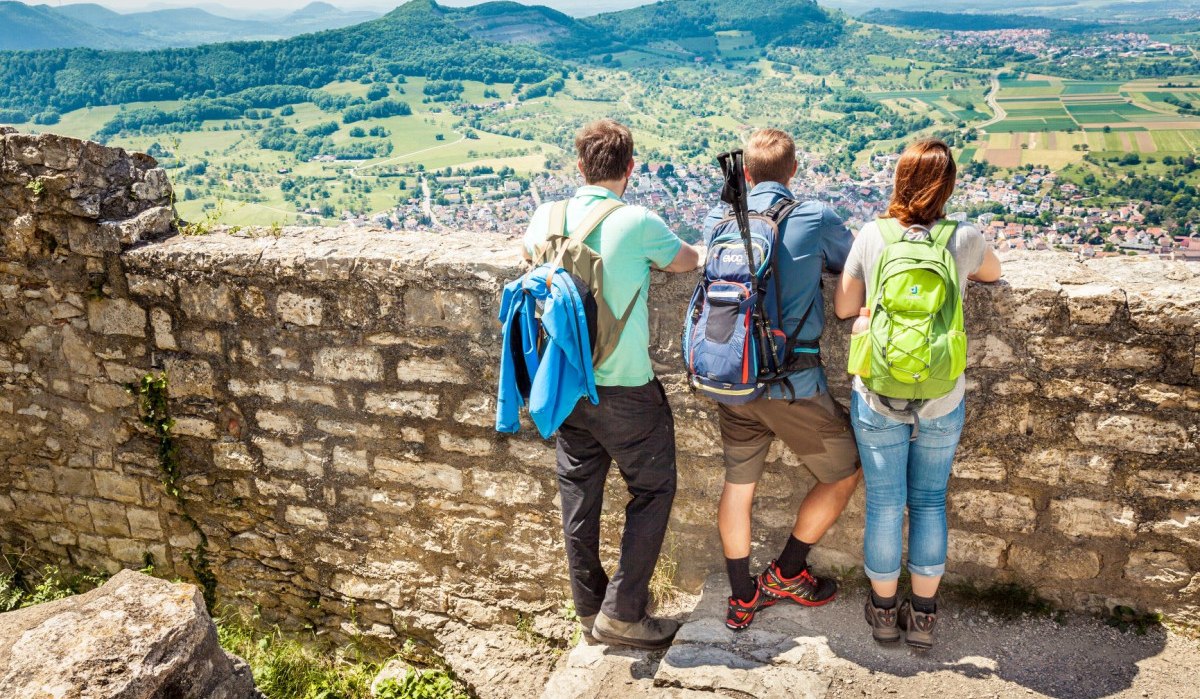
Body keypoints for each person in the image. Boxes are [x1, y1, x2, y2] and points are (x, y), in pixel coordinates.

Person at [522, 119, 701, 649]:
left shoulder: (544, 216)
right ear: (630, 169)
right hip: (625, 389)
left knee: (578, 494)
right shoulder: (638, 221)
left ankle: (589, 610)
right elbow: (687, 261)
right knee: (653, 488)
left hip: (566, 386)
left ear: (579, 166)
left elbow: (527, 261)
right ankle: (622, 612)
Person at [834, 138, 1001, 650]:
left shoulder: (872, 235)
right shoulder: (965, 236)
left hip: (880, 390)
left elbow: (844, 307)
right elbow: (994, 274)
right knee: (929, 501)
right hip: (942, 393)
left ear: (898, 182)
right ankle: (923, 617)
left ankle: (884, 614)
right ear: (948, 186)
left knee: (885, 504)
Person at [701, 128, 861, 631]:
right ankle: (787, 572)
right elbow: (854, 266)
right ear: (793, 171)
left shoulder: (717, 216)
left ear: (745, 173)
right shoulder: (812, 216)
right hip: (793, 387)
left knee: (738, 487)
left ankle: (741, 595)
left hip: (733, 381)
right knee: (844, 471)